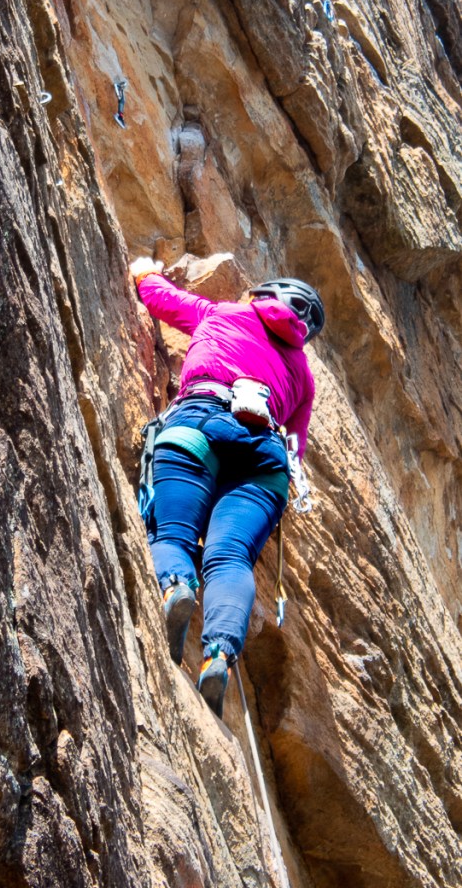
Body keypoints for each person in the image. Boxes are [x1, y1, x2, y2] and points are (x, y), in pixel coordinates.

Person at [131, 258, 324, 718]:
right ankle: (218, 652)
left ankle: (176, 587)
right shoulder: (303, 375)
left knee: (172, 533)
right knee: (231, 556)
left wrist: (143, 272)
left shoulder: (224, 313)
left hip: (201, 418)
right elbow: (295, 447)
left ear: (264, 295)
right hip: (265, 460)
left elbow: (159, 298)